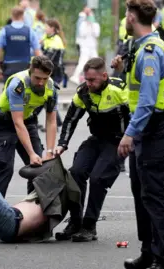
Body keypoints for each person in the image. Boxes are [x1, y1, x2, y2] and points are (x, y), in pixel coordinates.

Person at [111, 0, 164, 268]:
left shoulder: (150, 51)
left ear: (132, 17)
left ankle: (162, 258)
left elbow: (148, 100)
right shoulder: (142, 48)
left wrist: (130, 134)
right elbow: (139, 91)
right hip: (148, 128)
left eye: (126, 14)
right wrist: (121, 72)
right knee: (141, 192)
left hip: (154, 128)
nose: (125, 19)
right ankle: (148, 251)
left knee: (152, 194)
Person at [53, 58, 130, 242]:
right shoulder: (84, 92)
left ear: (104, 76)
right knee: (75, 172)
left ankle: (89, 226)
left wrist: (132, 140)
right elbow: (71, 119)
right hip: (97, 139)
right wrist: (62, 143)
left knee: (98, 178)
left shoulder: (119, 90)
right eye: (86, 79)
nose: (88, 84)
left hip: (118, 142)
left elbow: (138, 115)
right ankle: (76, 222)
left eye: (92, 80)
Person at [0, 55, 58, 197]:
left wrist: (50, 151)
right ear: (30, 71)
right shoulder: (18, 85)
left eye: (45, 79)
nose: (41, 83)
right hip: (5, 122)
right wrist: (31, 153)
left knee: (38, 167)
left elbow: (51, 121)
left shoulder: (51, 88)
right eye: (37, 78)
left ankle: (32, 208)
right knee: (4, 167)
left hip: (27, 121)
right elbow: (17, 122)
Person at [0, 157, 80, 243]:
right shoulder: (50, 197)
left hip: (12, 221)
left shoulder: (53, 193)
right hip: (9, 227)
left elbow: (24, 171)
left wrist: (38, 157)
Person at [0, 6, 42, 83]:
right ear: (23, 16)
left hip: (9, 68)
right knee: (25, 90)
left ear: (12, 16)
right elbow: (38, 52)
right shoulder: (29, 31)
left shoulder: (4, 31)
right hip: (25, 67)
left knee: (9, 91)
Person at [69, 7, 100, 85]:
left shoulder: (96, 24)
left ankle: (98, 77)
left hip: (93, 47)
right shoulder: (83, 24)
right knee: (82, 62)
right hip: (85, 47)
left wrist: (92, 25)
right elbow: (82, 34)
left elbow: (96, 34)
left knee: (97, 62)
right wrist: (87, 25)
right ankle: (75, 76)